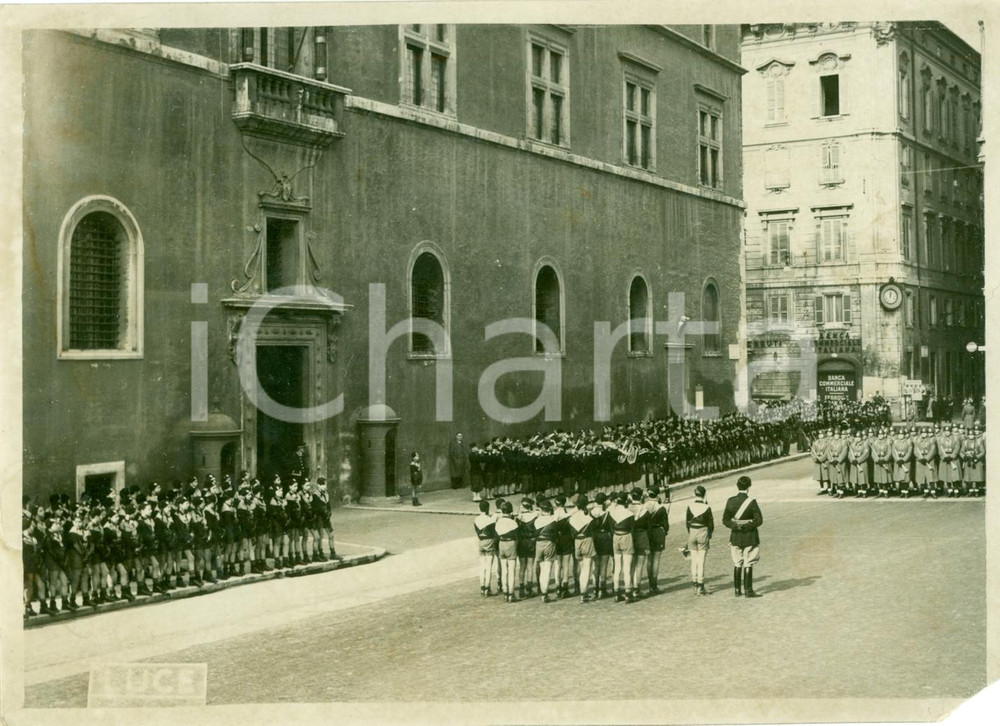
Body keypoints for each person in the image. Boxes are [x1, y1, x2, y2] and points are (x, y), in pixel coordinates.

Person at [722, 475, 763, 598]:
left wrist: (736, 526)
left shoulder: (730, 501)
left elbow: (725, 520)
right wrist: (747, 526)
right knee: (748, 562)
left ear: (737, 486)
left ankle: (737, 590)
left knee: (737, 562)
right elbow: (759, 520)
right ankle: (748, 590)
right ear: (749, 487)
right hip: (750, 535)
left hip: (736, 535)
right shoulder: (752, 502)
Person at [685, 485, 713, 596]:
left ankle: (695, 583)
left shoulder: (689, 506)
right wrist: (709, 535)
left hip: (692, 532)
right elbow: (711, 525)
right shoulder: (707, 508)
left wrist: (691, 532)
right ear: (704, 495)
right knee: (701, 561)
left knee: (694, 560)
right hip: (703, 532)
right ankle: (701, 586)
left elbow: (687, 522)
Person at [494, 501, 519, 602]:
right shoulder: (513, 523)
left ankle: (505, 591)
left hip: (501, 544)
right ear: (511, 511)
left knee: (504, 570)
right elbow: (517, 537)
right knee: (511, 570)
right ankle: (511, 593)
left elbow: (496, 537)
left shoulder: (498, 522)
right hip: (511, 544)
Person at [473, 500, 497, 597]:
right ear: (487, 508)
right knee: (489, 566)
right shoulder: (490, 520)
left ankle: (482, 587)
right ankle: (488, 587)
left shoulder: (476, 519)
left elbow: (477, 532)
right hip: (489, 541)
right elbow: (493, 533)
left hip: (481, 542)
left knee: (482, 565)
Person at [448, 432, 472, 497]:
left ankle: (461, 484)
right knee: (455, 472)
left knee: (461, 472)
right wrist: (455, 459)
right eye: (458, 436)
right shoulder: (453, 443)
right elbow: (451, 452)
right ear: (456, 436)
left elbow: (464, 451)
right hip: (456, 460)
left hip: (462, 460)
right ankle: (455, 486)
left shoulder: (462, 443)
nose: (460, 437)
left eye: (461, 436)